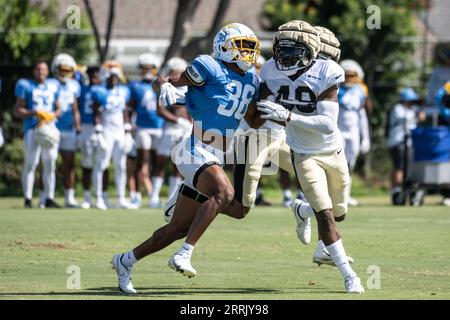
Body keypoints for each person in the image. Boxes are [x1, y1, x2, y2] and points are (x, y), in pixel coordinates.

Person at [111, 23, 261, 294]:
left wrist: (276, 112)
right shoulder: (209, 65)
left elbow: (253, 119)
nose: (247, 53)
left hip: (217, 154)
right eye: (242, 46)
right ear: (224, 47)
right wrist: (163, 87)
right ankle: (185, 253)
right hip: (193, 149)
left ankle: (125, 260)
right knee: (224, 193)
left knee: (186, 225)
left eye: (251, 48)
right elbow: (167, 79)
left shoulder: (252, 80)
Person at [256, 20, 364, 293]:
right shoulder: (269, 69)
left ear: (310, 52)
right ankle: (349, 276)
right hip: (303, 154)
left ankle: (301, 210)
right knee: (325, 215)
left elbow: (328, 124)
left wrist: (289, 116)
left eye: (292, 50)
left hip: (332, 150)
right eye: (282, 49)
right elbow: (260, 103)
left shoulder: (327, 71)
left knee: (339, 213)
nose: (284, 56)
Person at [14, 60, 61, 208]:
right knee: (31, 163)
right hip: (32, 129)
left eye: (43, 70)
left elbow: (59, 108)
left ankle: (49, 198)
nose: (41, 72)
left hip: (49, 129)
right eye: (38, 69)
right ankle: (28, 199)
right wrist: (35, 113)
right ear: (34, 71)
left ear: (48, 72)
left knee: (50, 163)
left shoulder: (54, 86)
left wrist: (51, 116)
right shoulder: (25, 85)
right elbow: (17, 110)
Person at [91, 61, 137, 210]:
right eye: (111, 77)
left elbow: (124, 111)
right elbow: (96, 112)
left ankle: (121, 198)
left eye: (116, 77)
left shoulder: (123, 91)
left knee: (121, 165)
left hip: (119, 132)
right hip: (106, 131)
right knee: (102, 164)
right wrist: (98, 132)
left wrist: (128, 131)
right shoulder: (99, 90)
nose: (114, 79)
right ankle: (98, 197)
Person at [128, 53, 164, 208]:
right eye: (145, 68)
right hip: (142, 127)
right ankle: (136, 195)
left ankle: (154, 196)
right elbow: (130, 106)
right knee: (141, 161)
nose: (148, 70)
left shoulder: (162, 85)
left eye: (151, 68)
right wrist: (129, 125)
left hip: (159, 126)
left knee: (157, 162)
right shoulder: (135, 86)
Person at [154, 57, 192, 202]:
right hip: (171, 128)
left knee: (178, 165)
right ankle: (153, 197)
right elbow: (160, 110)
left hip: (185, 129)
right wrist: (178, 120)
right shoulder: (166, 86)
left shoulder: (189, 87)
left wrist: (189, 122)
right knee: (161, 162)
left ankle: (172, 197)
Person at [48, 53, 82, 208]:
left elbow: (75, 108)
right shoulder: (49, 83)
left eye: (67, 70)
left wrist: (78, 126)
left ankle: (69, 197)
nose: (64, 73)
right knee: (49, 163)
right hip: (52, 126)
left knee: (69, 163)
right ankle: (47, 196)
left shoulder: (74, 85)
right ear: (55, 69)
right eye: (61, 70)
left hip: (69, 128)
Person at [337, 59, 371, 206]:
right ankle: (334, 195)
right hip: (339, 130)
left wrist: (366, 137)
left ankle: (346, 195)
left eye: (352, 75)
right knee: (338, 164)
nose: (350, 78)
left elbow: (362, 115)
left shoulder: (361, 90)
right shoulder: (336, 89)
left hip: (354, 132)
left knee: (350, 165)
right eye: (347, 75)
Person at [77, 66, 111, 209]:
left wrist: (98, 128)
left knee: (100, 165)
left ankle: (99, 197)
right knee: (86, 165)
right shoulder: (82, 89)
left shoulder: (102, 91)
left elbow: (99, 111)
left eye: (95, 75)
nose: (92, 77)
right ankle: (86, 197)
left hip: (100, 129)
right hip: (85, 128)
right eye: (91, 75)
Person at [387, 87, 421, 205]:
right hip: (397, 142)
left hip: (408, 143)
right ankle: (396, 190)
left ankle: (407, 189)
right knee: (399, 167)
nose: (412, 103)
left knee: (407, 168)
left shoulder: (411, 109)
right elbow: (405, 119)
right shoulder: (398, 109)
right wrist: (417, 114)